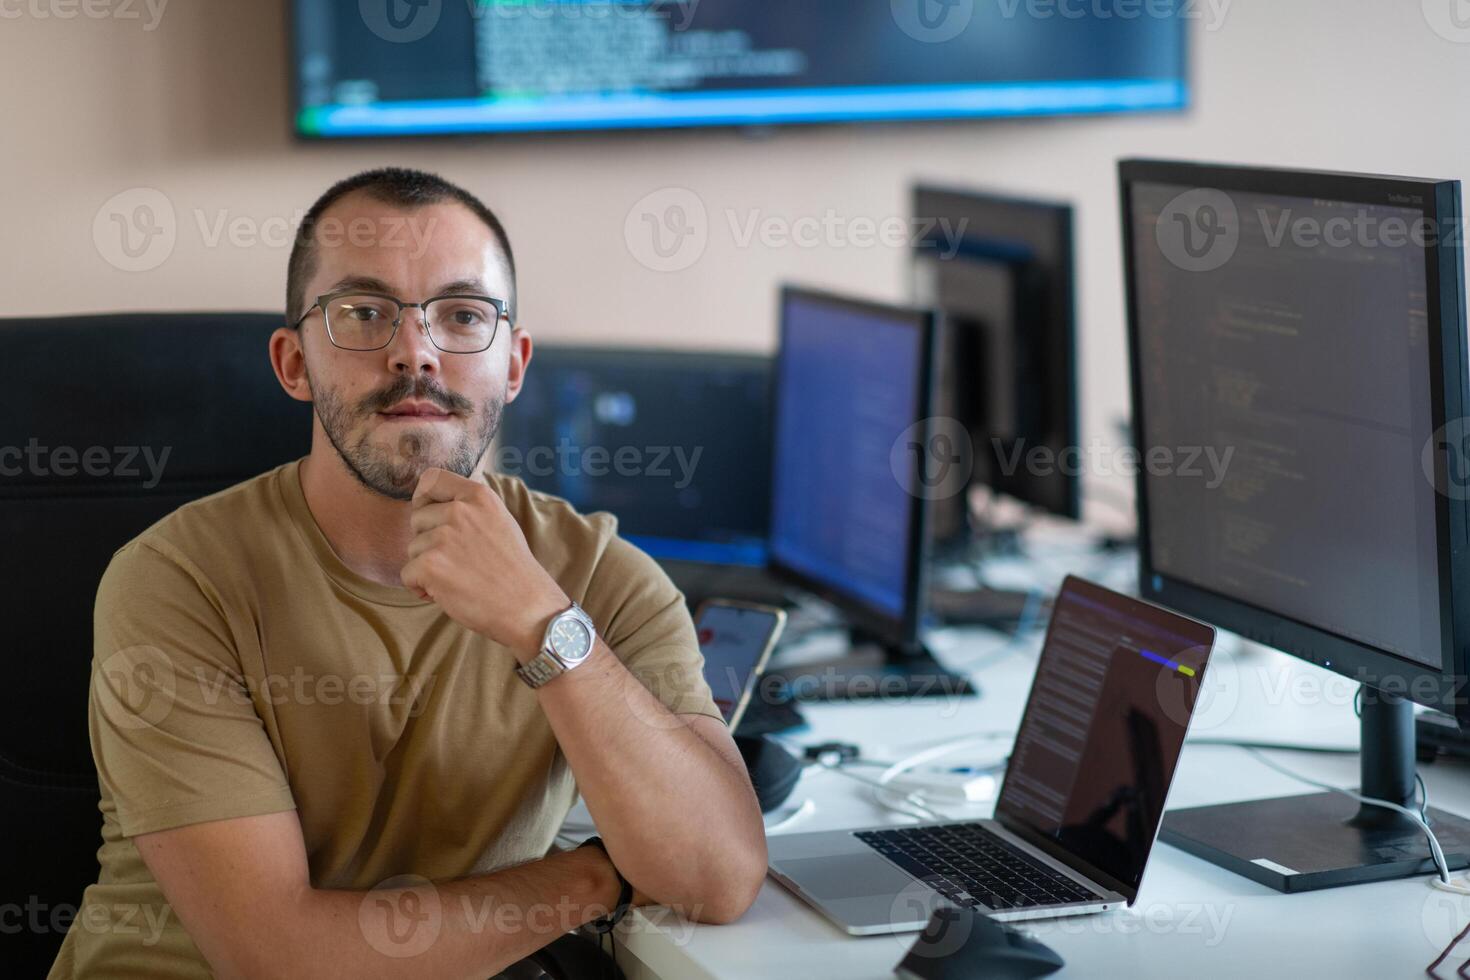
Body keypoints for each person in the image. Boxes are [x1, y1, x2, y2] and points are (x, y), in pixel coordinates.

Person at [49, 167, 767, 978]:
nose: (414, 351)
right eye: (363, 313)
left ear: (515, 365)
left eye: (463, 315)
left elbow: (717, 877)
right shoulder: (176, 580)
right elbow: (276, 959)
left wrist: (542, 623)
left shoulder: (602, 577)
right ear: (292, 363)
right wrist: (597, 874)